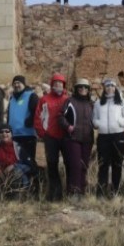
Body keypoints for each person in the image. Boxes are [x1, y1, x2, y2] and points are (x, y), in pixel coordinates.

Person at [92, 78, 124, 197]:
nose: (110, 88)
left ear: (115, 88)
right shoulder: (98, 103)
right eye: (107, 86)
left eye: (112, 86)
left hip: (118, 135)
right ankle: (101, 192)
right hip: (103, 137)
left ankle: (115, 192)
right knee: (103, 164)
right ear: (104, 88)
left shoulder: (122, 102)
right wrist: (98, 124)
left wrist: (120, 122)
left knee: (117, 164)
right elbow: (94, 119)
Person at [34, 73, 71, 201]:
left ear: (63, 85)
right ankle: (55, 193)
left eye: (60, 83)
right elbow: (38, 117)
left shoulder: (67, 99)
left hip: (66, 137)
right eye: (56, 83)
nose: (58, 85)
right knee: (52, 165)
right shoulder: (44, 100)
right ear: (52, 85)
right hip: (50, 137)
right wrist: (42, 133)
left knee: (69, 164)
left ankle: (70, 191)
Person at [60, 78, 95, 198]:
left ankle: (81, 191)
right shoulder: (70, 101)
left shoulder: (91, 104)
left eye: (85, 87)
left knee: (84, 165)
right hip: (72, 138)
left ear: (88, 90)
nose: (83, 89)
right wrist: (68, 126)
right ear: (76, 89)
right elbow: (61, 116)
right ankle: (74, 191)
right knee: (75, 164)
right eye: (80, 87)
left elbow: (96, 119)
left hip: (88, 139)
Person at [6, 75, 39, 174]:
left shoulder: (31, 95)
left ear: (24, 84)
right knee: (16, 161)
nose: (16, 85)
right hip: (14, 135)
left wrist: (30, 121)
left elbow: (36, 112)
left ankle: (33, 181)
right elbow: (9, 114)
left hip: (27, 134)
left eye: (18, 83)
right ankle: (20, 181)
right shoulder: (12, 98)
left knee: (28, 162)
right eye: (14, 83)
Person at [0, 126, 35, 196]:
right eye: (1, 132)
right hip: (0, 175)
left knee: (15, 172)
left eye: (7, 131)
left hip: (15, 177)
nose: (4, 133)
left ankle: (16, 196)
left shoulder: (18, 148)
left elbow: (30, 166)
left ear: (11, 134)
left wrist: (14, 166)